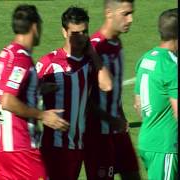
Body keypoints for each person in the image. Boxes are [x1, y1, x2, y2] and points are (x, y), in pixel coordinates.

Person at [0, 4, 69, 180]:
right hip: (20, 147)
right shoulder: (21, 59)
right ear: (34, 26)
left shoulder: (6, 53)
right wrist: (43, 115)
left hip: (0, 145)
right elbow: (8, 100)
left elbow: (5, 88)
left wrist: (36, 89)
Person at [36, 6, 112, 179]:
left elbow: (107, 85)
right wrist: (40, 91)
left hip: (78, 146)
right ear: (64, 32)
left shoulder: (90, 62)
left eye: (84, 32)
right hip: (53, 147)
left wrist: (92, 52)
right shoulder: (49, 63)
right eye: (75, 33)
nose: (81, 38)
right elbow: (24, 94)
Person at [84, 0, 141, 179]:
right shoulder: (94, 48)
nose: (130, 19)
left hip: (117, 128)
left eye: (131, 13)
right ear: (109, 13)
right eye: (125, 14)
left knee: (132, 174)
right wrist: (109, 119)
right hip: (97, 133)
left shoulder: (117, 43)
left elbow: (113, 93)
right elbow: (83, 97)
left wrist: (120, 116)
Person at [133, 8, 178, 180]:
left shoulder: (146, 58)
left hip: (147, 140)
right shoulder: (171, 66)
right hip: (166, 146)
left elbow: (138, 104)